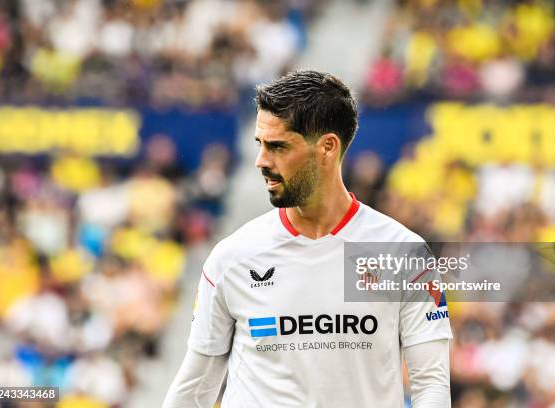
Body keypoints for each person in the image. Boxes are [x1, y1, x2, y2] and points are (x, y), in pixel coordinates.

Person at [162, 70, 452, 407]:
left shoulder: (402, 253)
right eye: (260, 144)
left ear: (327, 147)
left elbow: (431, 384)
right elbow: (195, 388)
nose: (261, 161)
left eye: (278, 146)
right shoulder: (232, 257)